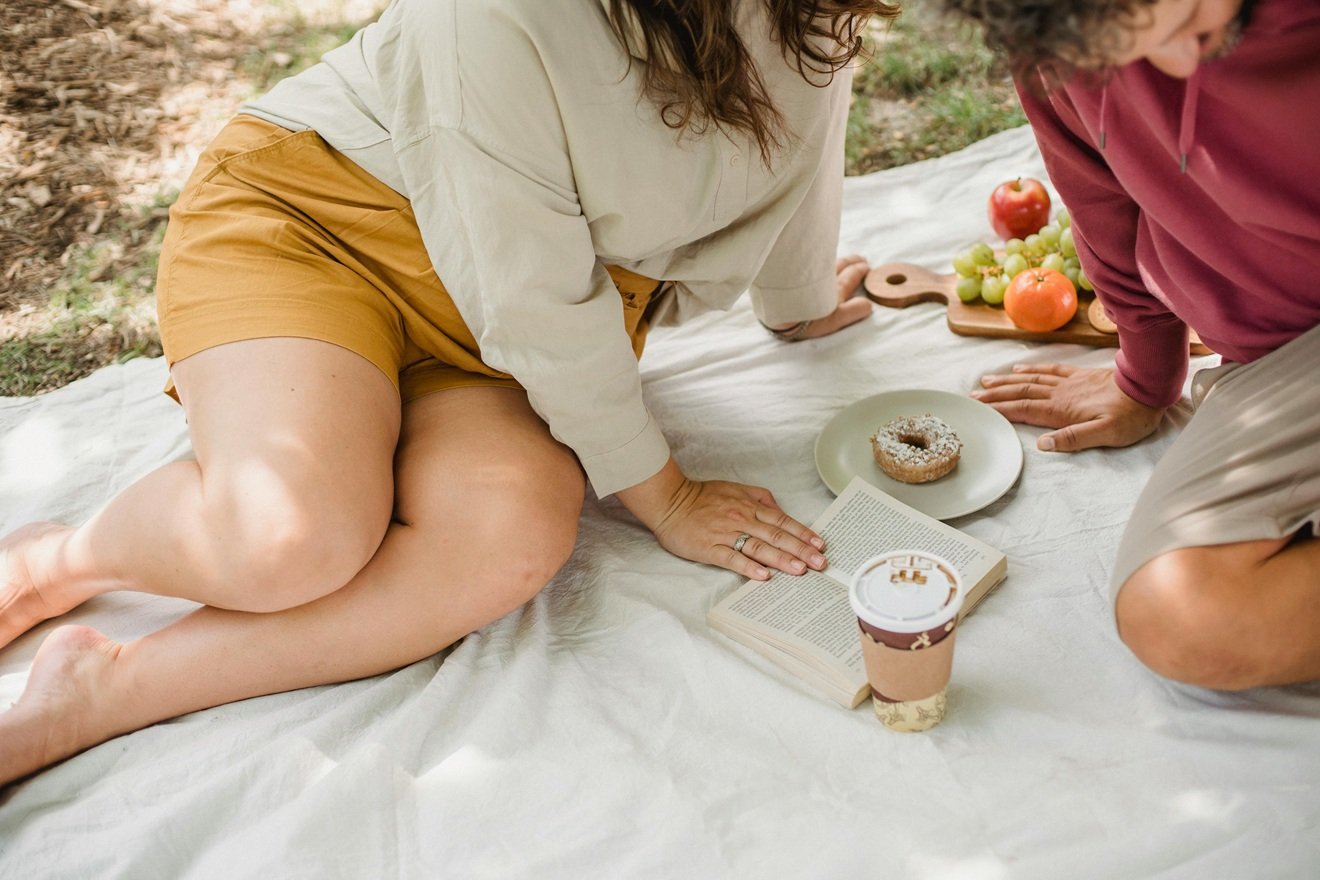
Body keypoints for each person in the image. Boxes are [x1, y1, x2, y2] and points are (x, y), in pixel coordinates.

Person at [0, 0, 895, 785]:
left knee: (511, 543)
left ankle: (101, 691)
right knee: (289, 540)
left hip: (501, 321)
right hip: (322, 221)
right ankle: (57, 562)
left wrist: (799, 302)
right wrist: (667, 495)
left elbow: (811, 109)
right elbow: (526, 292)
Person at [937, 0, 1320, 689]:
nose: (1174, 68)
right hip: (1280, 360)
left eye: (1186, 28)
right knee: (1185, 616)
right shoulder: (1057, 29)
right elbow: (1100, 200)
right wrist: (1146, 376)